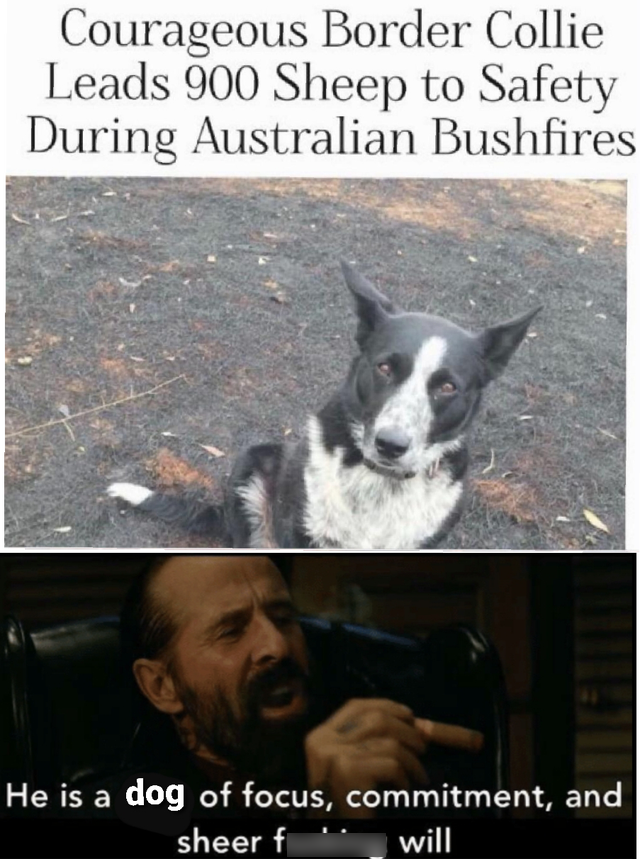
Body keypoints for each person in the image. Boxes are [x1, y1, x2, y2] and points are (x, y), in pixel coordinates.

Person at [113, 553, 484, 820]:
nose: (276, 645)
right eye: (231, 630)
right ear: (163, 686)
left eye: (283, 617)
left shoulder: (380, 758)